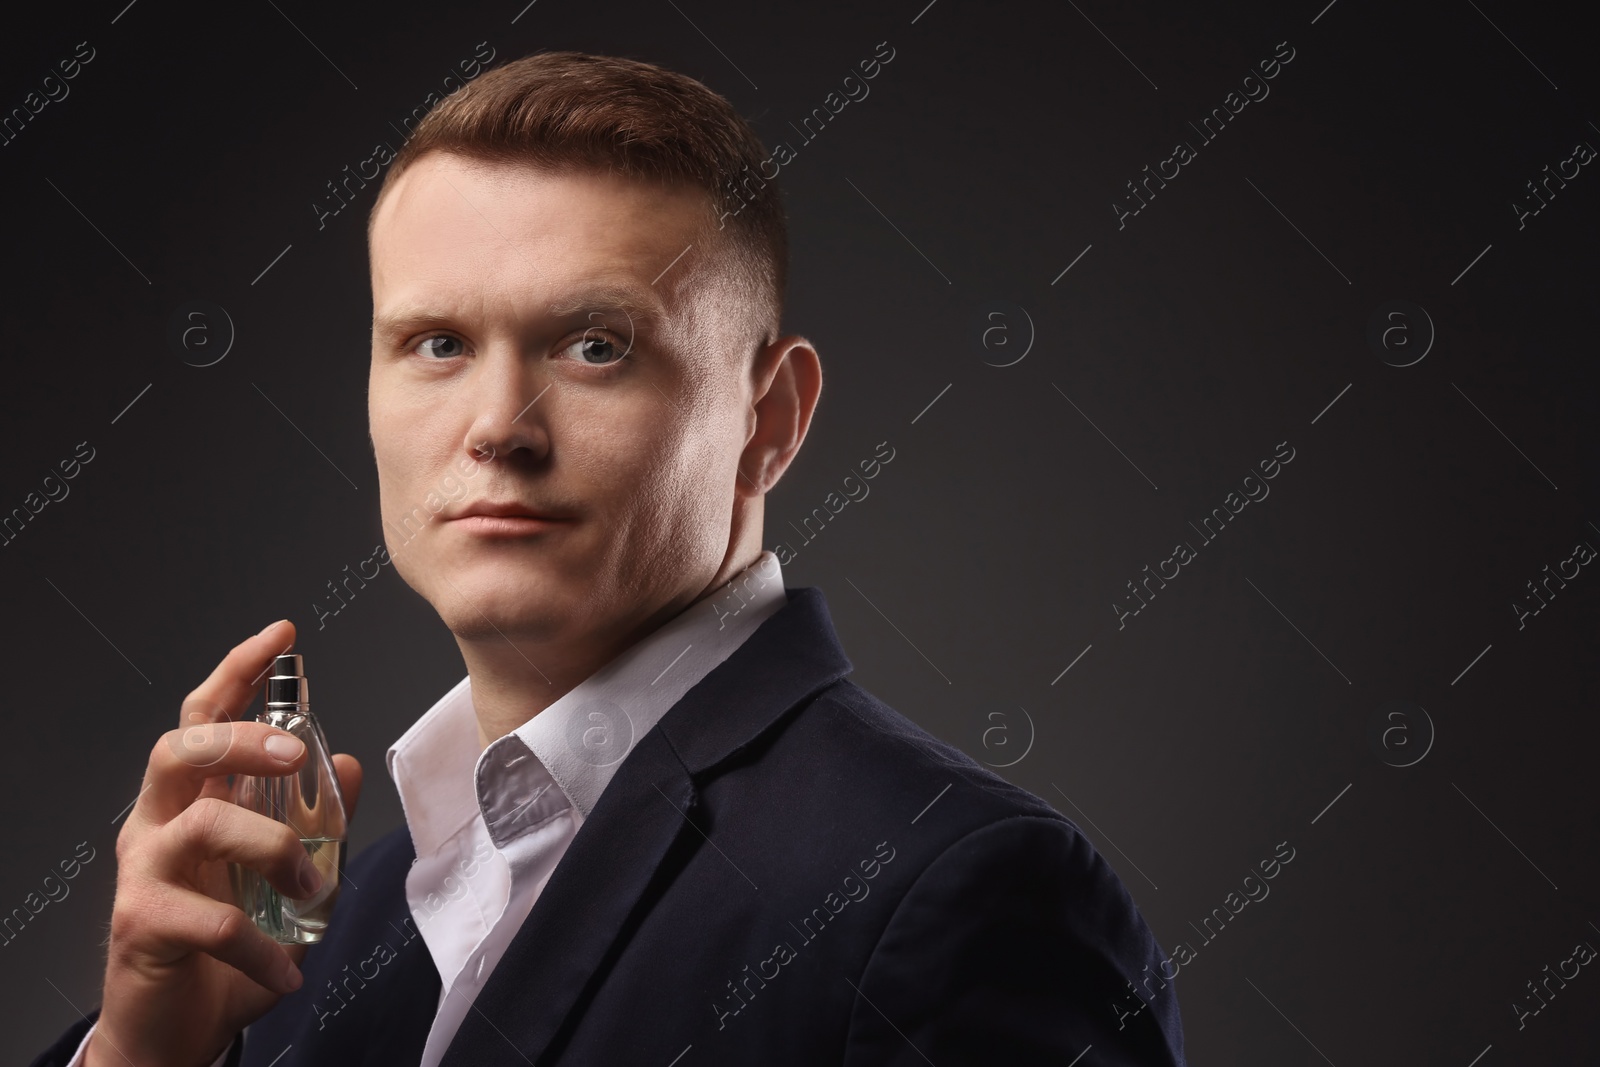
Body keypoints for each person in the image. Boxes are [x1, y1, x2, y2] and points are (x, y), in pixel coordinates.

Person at [34, 50, 1187, 1067]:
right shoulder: (318, 927)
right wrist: (144, 1055)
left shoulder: (961, 891)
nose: (499, 423)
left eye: (595, 346)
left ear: (770, 417)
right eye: (436, 342)